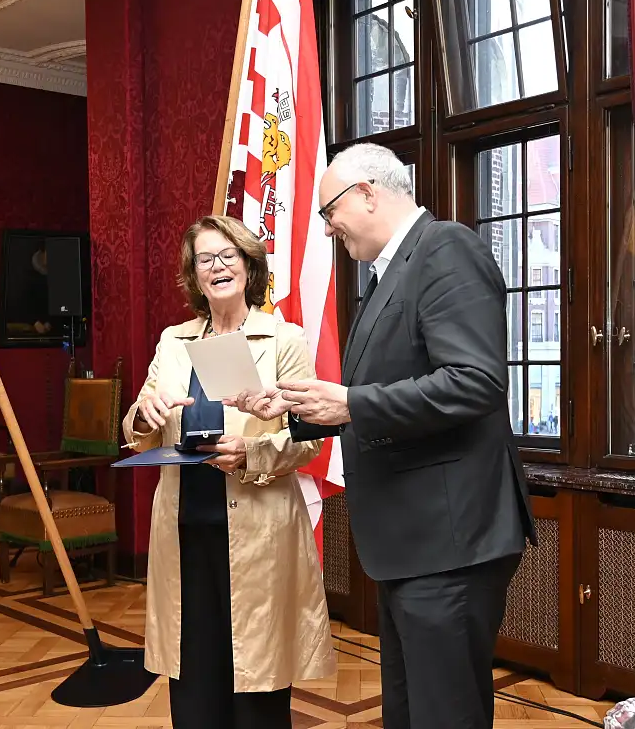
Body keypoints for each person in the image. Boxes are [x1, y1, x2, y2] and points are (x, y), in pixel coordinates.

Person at [230, 143, 537, 729]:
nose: (326, 230)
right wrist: (296, 405)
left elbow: (474, 383)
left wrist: (347, 402)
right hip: (411, 543)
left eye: (328, 214)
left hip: (448, 541)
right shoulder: (391, 270)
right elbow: (377, 395)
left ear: (368, 192)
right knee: (408, 711)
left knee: (444, 714)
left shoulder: (444, 249)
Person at [122, 215, 335, 729]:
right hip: (185, 533)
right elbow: (137, 424)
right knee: (192, 682)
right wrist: (143, 414)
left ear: (248, 265)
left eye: (227, 256)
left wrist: (251, 453)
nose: (216, 267)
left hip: (258, 533)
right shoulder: (173, 341)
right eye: (204, 259)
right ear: (192, 275)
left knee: (256, 686)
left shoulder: (283, 338)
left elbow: (310, 439)